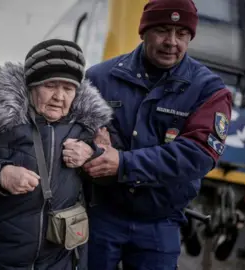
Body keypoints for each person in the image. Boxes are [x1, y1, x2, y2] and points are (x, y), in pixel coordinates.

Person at [79, 0, 233, 269]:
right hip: (100, 215)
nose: (172, 42)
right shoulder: (99, 79)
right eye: (162, 30)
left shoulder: (209, 90)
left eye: (182, 34)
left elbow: (198, 154)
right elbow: (68, 136)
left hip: (160, 223)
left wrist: (123, 164)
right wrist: (91, 148)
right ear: (143, 31)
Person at [0, 39, 113, 269]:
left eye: (68, 89)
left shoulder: (86, 127)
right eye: (50, 85)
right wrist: (1, 174)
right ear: (31, 85)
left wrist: (93, 154)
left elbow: (106, 182)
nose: (59, 96)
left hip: (58, 259)